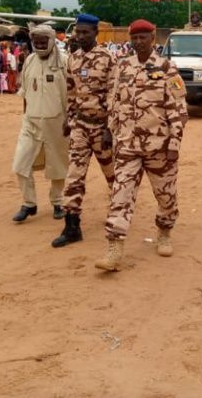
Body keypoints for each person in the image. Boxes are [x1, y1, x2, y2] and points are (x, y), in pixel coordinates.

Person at [95, 19, 188, 272]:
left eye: (143, 37)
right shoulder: (123, 66)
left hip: (159, 145)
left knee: (166, 196)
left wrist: (174, 144)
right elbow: (114, 102)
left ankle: (164, 231)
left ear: (153, 38)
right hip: (127, 145)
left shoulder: (167, 68)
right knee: (120, 194)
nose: (138, 42)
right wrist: (109, 130)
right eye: (134, 38)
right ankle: (114, 248)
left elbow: (179, 110)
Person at [52, 13, 117, 248]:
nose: (79, 36)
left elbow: (114, 94)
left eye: (84, 32)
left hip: (102, 127)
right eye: (77, 32)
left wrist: (110, 128)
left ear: (95, 34)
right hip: (80, 126)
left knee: (113, 175)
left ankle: (118, 210)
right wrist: (68, 119)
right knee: (74, 176)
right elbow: (71, 91)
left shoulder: (108, 58)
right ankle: (72, 226)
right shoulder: (73, 58)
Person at [11, 25, 70, 223]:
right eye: (36, 42)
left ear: (52, 41)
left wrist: (69, 120)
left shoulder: (65, 62)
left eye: (43, 42)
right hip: (31, 121)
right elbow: (25, 92)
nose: (40, 45)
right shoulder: (29, 60)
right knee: (21, 163)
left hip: (58, 123)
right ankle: (29, 204)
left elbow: (72, 95)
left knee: (58, 166)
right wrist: (25, 114)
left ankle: (58, 202)